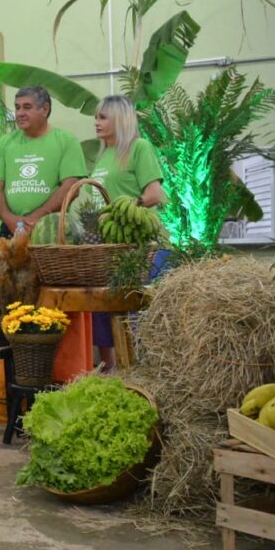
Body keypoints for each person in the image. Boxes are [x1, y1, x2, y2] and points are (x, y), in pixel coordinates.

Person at [89, 94, 166, 371]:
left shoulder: (139, 147)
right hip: (106, 245)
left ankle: (138, 370)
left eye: (103, 117)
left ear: (120, 120)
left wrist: (122, 211)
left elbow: (155, 194)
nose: (96, 122)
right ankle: (110, 368)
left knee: (132, 309)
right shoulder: (104, 155)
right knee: (101, 305)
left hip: (136, 245)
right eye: (96, 116)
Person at [0, 85, 86, 237]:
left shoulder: (67, 141)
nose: (20, 113)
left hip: (52, 228)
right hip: (10, 229)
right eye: (17, 108)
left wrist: (36, 218)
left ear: (44, 110)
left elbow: (71, 187)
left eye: (27, 107)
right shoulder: (4, 143)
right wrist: (9, 219)